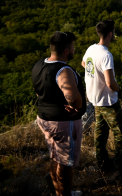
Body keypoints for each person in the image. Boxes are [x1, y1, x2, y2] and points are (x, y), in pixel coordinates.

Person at [32, 31, 86, 196]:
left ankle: (59, 193)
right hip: (63, 124)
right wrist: (77, 106)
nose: (74, 48)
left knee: (55, 157)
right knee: (65, 163)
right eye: (73, 46)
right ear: (67, 50)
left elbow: (38, 91)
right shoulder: (63, 70)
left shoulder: (39, 65)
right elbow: (73, 98)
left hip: (44, 119)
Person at [82, 20, 122, 174]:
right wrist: (118, 88)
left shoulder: (91, 49)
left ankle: (102, 165)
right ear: (110, 34)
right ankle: (119, 168)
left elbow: (84, 63)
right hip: (108, 101)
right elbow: (110, 83)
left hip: (95, 99)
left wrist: (95, 73)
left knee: (101, 134)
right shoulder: (106, 55)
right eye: (114, 32)